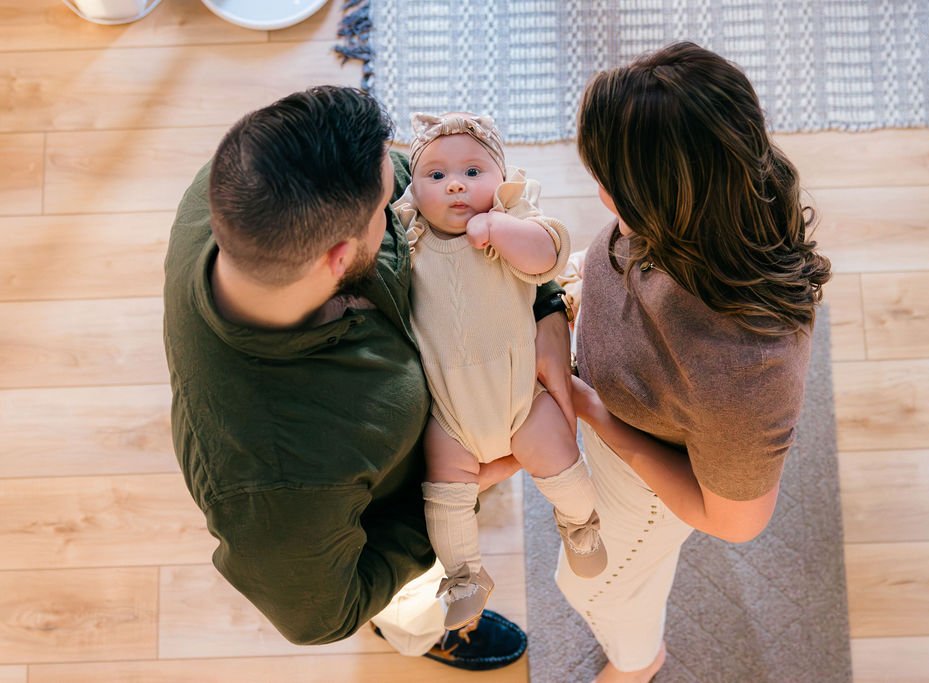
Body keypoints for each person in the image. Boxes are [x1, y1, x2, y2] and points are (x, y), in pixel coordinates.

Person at [162, 86, 574, 671]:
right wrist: (450, 494)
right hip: (419, 503)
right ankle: (425, 632)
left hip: (467, 400)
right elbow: (321, 615)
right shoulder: (277, 489)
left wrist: (545, 305)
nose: (407, 191)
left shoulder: (240, 184)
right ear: (338, 258)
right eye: (389, 202)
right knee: (416, 607)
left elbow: (424, 190)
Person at [557, 42, 833, 682]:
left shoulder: (742, 378)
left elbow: (734, 521)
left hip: (645, 488)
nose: (599, 194)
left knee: (593, 588)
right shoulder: (732, 193)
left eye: (608, 182)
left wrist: (599, 416)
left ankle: (638, 662)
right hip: (620, 418)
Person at [393, 112, 607, 630]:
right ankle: (463, 575)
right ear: (413, 191)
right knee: (444, 495)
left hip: (520, 396)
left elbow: (547, 259)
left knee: (561, 458)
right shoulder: (410, 238)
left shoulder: (510, 224)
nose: (456, 186)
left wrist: (499, 228)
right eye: (436, 176)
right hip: (450, 413)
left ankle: (580, 524)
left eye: (473, 171)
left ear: (502, 178)